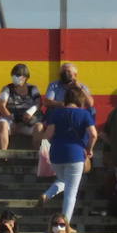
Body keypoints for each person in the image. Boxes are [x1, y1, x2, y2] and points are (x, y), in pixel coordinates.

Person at [41, 85, 97, 224]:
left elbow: (48, 135)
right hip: (76, 154)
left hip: (56, 153)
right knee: (71, 193)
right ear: (80, 100)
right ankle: (64, 224)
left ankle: (48, 194)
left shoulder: (56, 113)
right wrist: (89, 149)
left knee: (64, 180)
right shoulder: (85, 114)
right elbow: (94, 135)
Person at [0, 64, 44, 149]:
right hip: (10, 120)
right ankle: (3, 154)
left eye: (18, 75)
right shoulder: (7, 88)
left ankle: (36, 154)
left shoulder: (33, 88)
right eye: (13, 75)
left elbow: (38, 103)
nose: (14, 77)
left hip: (28, 122)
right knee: (1, 124)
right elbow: (1, 106)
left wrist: (30, 112)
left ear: (25, 77)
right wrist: (11, 119)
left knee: (39, 127)